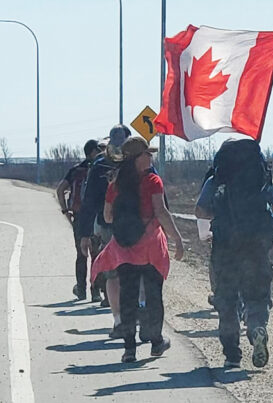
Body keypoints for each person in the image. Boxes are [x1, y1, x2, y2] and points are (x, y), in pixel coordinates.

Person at [91, 136, 184, 363]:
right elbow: (161, 212)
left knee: (128, 297)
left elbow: (107, 216)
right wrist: (178, 239)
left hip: (125, 249)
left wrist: (126, 225)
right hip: (151, 248)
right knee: (154, 297)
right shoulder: (153, 181)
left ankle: (129, 349)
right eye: (147, 154)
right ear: (137, 158)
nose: (150, 157)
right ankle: (156, 343)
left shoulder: (116, 183)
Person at [195, 138, 273, 369]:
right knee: (257, 296)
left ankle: (232, 355)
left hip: (225, 248)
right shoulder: (261, 178)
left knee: (227, 301)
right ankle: (256, 330)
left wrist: (219, 215)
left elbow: (200, 210)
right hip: (256, 246)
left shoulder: (216, 180)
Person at [79, 125, 131, 335]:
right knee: (131, 272)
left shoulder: (100, 165)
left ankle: (120, 320)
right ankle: (133, 316)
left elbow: (88, 202)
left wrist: (84, 233)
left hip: (113, 226)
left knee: (114, 275)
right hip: (130, 226)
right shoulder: (137, 160)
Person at [55, 139, 105, 302]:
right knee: (96, 254)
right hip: (97, 217)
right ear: (92, 151)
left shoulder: (76, 170)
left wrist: (65, 211)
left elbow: (60, 189)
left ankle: (81, 290)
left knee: (81, 254)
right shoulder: (101, 168)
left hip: (79, 217)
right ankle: (96, 291)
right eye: (98, 149)